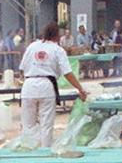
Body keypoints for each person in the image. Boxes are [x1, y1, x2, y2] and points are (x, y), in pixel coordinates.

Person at [18, 21, 88, 149]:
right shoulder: (57, 50)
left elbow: (22, 68)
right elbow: (68, 73)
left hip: (28, 86)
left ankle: (28, 152)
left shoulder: (32, 46)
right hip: (46, 86)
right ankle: (45, 152)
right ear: (57, 36)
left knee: (27, 125)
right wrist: (80, 88)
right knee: (46, 125)